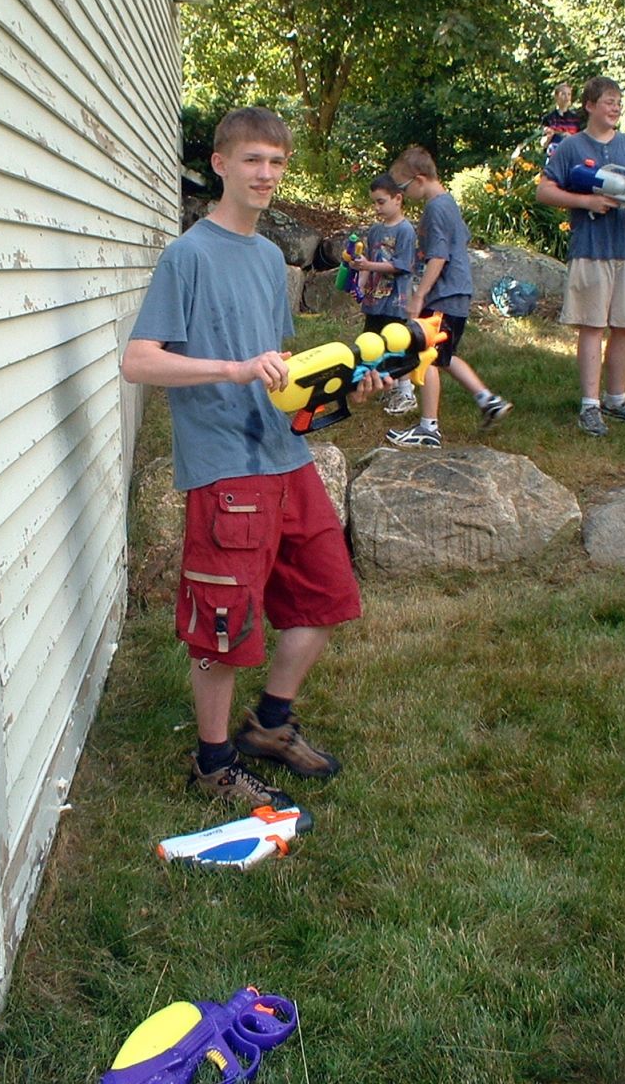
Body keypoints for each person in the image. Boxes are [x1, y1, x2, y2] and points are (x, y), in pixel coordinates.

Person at [121, 107, 385, 810]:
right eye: (253, 160)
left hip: (284, 454)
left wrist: (345, 389)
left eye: (276, 162)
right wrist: (232, 370)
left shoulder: (269, 258)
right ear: (220, 165)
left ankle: (269, 724)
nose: (266, 174)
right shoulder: (188, 255)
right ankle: (213, 764)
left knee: (326, 593)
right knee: (223, 623)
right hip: (225, 466)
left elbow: (280, 371)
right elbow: (139, 361)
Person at [535, 76, 625, 436]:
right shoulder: (572, 146)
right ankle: (590, 406)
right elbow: (544, 191)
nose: (615, 107)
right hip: (590, 248)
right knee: (592, 326)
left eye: (619, 102)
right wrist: (586, 201)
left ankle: (616, 400)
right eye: (608, 101)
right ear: (589, 105)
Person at [383, 146, 513, 450]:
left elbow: (439, 257)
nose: (403, 194)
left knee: (426, 354)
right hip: (457, 294)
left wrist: (419, 295)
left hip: (443, 294)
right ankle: (487, 400)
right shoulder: (448, 202)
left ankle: (428, 428)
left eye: (403, 188)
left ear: (419, 180)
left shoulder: (435, 209)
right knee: (444, 354)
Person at [354, 173, 418, 415]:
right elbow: (368, 263)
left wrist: (368, 266)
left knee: (397, 345)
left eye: (381, 202)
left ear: (397, 199)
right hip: (375, 300)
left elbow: (401, 265)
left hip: (396, 301)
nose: (377, 207)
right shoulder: (375, 231)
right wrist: (360, 284)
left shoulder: (405, 230)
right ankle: (386, 386)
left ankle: (406, 391)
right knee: (371, 342)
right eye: (374, 202)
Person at [540, 82, 583, 153]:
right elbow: (543, 144)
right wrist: (549, 137)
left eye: (569, 94)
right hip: (554, 155)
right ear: (556, 97)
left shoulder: (575, 119)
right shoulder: (548, 118)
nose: (566, 97)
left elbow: (581, 143)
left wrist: (570, 138)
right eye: (563, 94)